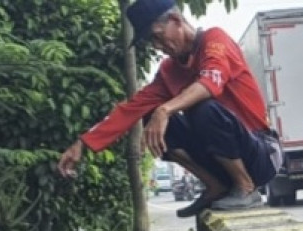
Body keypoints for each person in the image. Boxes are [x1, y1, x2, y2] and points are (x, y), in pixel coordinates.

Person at [58, 0, 281, 218]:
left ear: (176, 20)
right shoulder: (169, 71)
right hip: (221, 158)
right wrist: (83, 142)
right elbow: (130, 109)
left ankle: (246, 187)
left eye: (157, 36)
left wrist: (164, 110)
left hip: (261, 153)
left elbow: (211, 82)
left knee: (200, 108)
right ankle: (216, 187)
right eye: (151, 41)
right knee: (149, 114)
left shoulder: (215, 40)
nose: (157, 46)